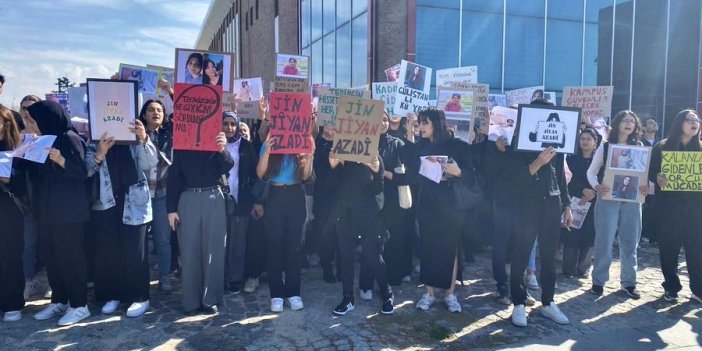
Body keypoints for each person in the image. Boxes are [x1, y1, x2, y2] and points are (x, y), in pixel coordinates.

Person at [508, 99, 573, 327]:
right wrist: (537, 163)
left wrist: (566, 205)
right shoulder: (520, 140)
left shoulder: (556, 140)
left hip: (551, 202)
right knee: (522, 253)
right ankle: (518, 303)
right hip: (527, 203)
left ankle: (548, 302)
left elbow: (561, 176)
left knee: (549, 255)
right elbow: (513, 180)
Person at [86, 114, 158, 318]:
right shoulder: (95, 137)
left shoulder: (134, 134)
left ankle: (139, 297)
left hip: (134, 200)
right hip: (106, 200)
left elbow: (150, 162)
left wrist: (143, 139)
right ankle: (112, 295)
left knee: (136, 250)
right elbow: (87, 170)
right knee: (109, 250)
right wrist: (100, 153)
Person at [27, 100, 91, 326]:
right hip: (47, 210)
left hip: (68, 213)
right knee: (52, 258)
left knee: (69, 258)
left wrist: (61, 159)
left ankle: (79, 305)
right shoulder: (44, 139)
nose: (32, 125)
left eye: (34, 120)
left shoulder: (69, 138)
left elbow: (82, 173)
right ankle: (60, 299)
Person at [407, 109, 474, 313]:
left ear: (437, 123)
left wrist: (457, 172)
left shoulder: (457, 146)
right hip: (428, 203)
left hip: (451, 204)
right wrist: (410, 134)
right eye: (419, 123)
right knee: (427, 248)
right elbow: (411, 173)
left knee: (450, 249)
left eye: (425, 123)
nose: (421, 127)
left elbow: (472, 174)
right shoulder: (420, 146)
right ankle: (429, 293)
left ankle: (450, 294)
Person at [167, 130, 233, 314]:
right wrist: (171, 209)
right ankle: (191, 300)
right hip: (188, 198)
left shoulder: (215, 140)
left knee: (214, 251)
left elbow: (228, 165)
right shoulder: (181, 144)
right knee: (189, 251)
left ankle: (210, 298)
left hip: (214, 197)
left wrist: (222, 149)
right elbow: (174, 177)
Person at [586, 110, 648, 299]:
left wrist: (648, 187)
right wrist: (597, 186)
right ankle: (598, 281)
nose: (629, 124)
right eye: (625, 120)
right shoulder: (605, 147)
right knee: (604, 241)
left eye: (632, 121)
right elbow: (591, 172)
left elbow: (644, 176)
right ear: (617, 124)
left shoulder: (640, 147)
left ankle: (629, 283)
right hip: (607, 200)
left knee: (630, 242)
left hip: (632, 201)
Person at [329, 151, 394, 316]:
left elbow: (378, 188)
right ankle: (348, 298)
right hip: (345, 212)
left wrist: (376, 170)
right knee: (346, 256)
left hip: (368, 214)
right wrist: (334, 163)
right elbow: (332, 184)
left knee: (373, 255)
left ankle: (387, 293)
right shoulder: (342, 155)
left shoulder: (375, 158)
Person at [256, 132, 314, 312]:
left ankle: (293, 292)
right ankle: (276, 294)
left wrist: (310, 154)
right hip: (275, 196)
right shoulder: (270, 142)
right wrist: (266, 151)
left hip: (296, 196)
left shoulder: (301, 143)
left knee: (295, 246)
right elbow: (261, 174)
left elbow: (305, 176)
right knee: (274, 246)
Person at [649, 109, 702, 303]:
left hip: (696, 210)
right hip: (669, 209)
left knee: (696, 251)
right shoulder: (662, 147)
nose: (694, 123)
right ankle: (671, 287)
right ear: (679, 123)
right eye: (689, 120)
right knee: (669, 251)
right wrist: (657, 177)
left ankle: (698, 290)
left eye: (697, 120)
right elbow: (651, 171)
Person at [221, 112, 260, 294]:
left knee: (237, 242)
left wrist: (255, 201)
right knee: (219, 242)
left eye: (232, 124)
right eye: (225, 124)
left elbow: (254, 174)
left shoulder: (246, 146)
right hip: (217, 199)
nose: (229, 128)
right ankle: (219, 277)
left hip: (241, 200)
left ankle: (235, 278)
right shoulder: (213, 143)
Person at [139, 99, 175, 292]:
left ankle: (164, 276)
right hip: (140, 195)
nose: (156, 113)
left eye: (159, 110)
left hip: (162, 194)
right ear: (144, 114)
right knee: (140, 241)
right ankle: (140, 277)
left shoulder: (169, 135)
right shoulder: (133, 134)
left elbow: (167, 160)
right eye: (151, 110)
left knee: (163, 239)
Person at [374, 112, 412, 287]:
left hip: (392, 199)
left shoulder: (397, 144)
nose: (382, 123)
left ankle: (394, 275)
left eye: (385, 119)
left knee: (394, 238)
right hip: (371, 198)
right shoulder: (364, 141)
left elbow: (406, 175)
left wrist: (383, 172)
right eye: (378, 119)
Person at [0, 106, 26, 322]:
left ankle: (12, 302)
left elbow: (22, 180)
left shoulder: (18, 148)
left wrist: (9, 176)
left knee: (10, 255)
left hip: (8, 208)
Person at [562, 128, 599, 278]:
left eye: (589, 139)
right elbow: (567, 179)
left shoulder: (599, 160)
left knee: (589, 235)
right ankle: (569, 268)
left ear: (595, 142)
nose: (585, 141)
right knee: (572, 234)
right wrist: (582, 190)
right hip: (574, 200)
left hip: (593, 201)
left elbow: (602, 178)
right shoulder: (571, 159)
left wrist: (591, 192)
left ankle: (584, 268)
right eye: (583, 138)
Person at [309, 124, 342, 283]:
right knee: (325, 233)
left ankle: (342, 269)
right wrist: (325, 138)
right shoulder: (320, 142)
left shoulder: (346, 142)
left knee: (343, 233)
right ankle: (327, 267)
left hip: (343, 195)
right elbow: (315, 165)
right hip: (323, 196)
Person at [18, 95, 42, 298]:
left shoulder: (48, 135)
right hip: (22, 196)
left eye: (33, 107)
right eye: (24, 107)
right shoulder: (13, 134)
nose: (28, 111)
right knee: (28, 241)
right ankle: (27, 280)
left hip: (45, 195)